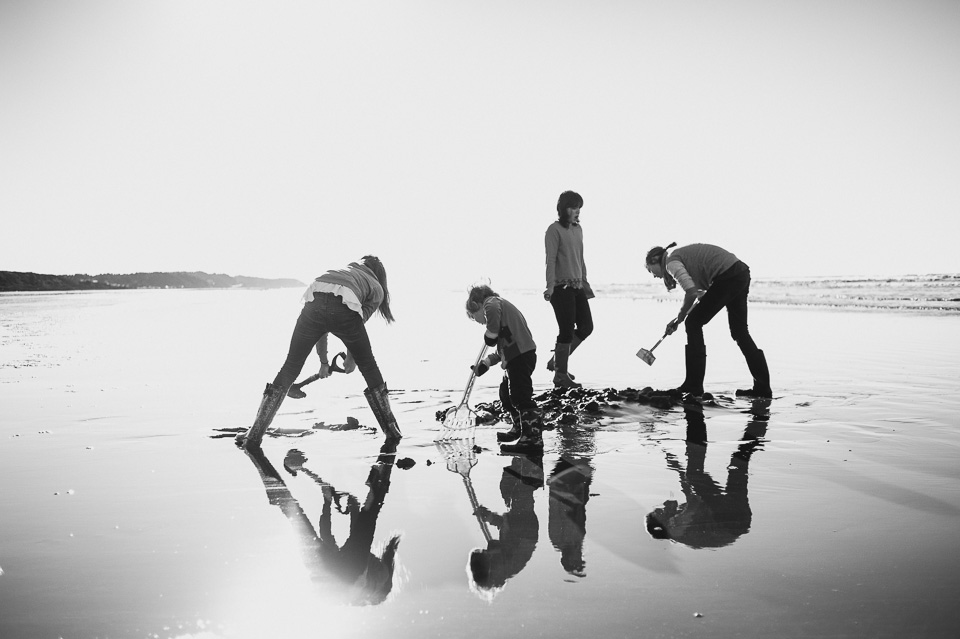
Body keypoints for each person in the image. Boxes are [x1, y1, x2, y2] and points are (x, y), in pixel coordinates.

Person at [236, 255, 401, 450]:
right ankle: (391, 431)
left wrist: (324, 362)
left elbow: (322, 326)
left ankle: (254, 435)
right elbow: (356, 322)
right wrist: (350, 360)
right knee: (369, 367)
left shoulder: (344, 272)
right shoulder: (376, 287)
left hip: (315, 291)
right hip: (341, 307)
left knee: (290, 366)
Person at [644, 242, 771, 398]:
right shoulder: (678, 258)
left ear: (655, 260)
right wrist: (678, 319)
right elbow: (701, 297)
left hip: (728, 276)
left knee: (693, 323)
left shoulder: (671, 263)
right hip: (740, 273)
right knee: (739, 332)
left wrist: (682, 317)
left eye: (651, 271)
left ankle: (693, 385)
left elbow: (690, 293)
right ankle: (762, 388)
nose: (655, 276)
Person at [465, 284, 543, 453]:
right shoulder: (502, 321)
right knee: (505, 394)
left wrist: (490, 333)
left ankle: (532, 440)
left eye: (473, 316)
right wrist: (485, 363)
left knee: (520, 396)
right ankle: (519, 428)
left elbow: (491, 311)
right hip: (515, 357)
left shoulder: (492, 302)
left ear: (476, 304)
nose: (478, 321)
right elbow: (502, 351)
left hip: (522, 356)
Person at [544, 190, 594, 388]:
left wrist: (585, 282)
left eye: (579, 208)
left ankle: (557, 363)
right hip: (560, 287)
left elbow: (580, 258)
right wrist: (549, 287)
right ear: (563, 209)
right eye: (573, 207)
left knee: (586, 327)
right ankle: (560, 376)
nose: (577, 211)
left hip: (577, 285)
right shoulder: (553, 230)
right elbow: (550, 260)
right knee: (565, 331)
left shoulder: (578, 229)